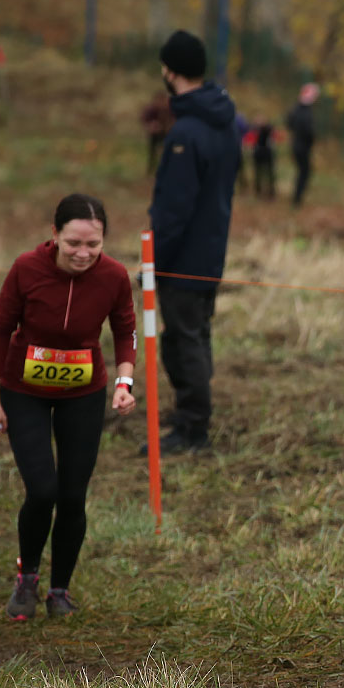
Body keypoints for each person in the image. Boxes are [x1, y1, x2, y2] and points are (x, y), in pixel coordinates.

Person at [0, 194, 137, 620]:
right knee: (42, 490)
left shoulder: (114, 276)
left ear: (104, 241)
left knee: (72, 495)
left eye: (93, 244)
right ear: (54, 234)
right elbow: (0, 330)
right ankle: (27, 578)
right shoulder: (26, 268)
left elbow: (125, 329)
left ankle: (59, 590)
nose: (83, 253)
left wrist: (124, 383)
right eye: (73, 243)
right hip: (24, 391)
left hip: (83, 394)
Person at [148, 30, 241, 455]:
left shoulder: (187, 132)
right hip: (211, 251)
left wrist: (155, 260)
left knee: (183, 341)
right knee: (196, 336)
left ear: (171, 71)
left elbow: (175, 208)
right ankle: (193, 415)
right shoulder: (224, 123)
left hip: (184, 258)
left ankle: (192, 428)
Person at [286, 83, 318, 206]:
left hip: (296, 144)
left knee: (301, 171)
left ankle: (297, 197)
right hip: (303, 146)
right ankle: (297, 199)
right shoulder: (307, 113)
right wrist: (311, 140)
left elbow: (289, 122)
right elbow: (309, 131)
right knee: (304, 172)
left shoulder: (295, 109)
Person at [140, 92, 175, 175]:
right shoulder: (152, 109)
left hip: (167, 133)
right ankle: (151, 169)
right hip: (155, 134)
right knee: (153, 152)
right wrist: (151, 125)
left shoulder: (170, 109)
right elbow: (144, 119)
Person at [251, 121, 277, 200]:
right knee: (266, 172)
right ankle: (269, 190)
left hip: (259, 153)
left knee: (260, 172)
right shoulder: (267, 132)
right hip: (265, 153)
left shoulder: (258, 131)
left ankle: (261, 190)